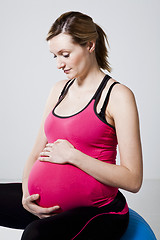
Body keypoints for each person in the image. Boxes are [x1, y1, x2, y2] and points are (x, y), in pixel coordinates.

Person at [0, 11, 143, 240]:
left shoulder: (118, 96)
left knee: (34, 235)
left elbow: (133, 179)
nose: (59, 64)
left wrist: (73, 156)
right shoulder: (59, 89)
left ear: (89, 45)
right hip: (46, 207)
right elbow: (36, 152)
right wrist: (27, 197)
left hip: (100, 211)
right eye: (54, 56)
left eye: (65, 54)